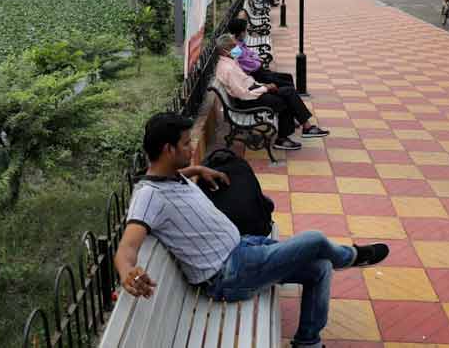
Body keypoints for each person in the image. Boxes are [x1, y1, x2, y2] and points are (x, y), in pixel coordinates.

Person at [115, 112, 390, 348]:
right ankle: (349, 257)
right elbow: (127, 247)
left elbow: (171, 182)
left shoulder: (170, 176)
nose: (192, 147)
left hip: (243, 249)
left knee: (319, 268)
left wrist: (198, 169)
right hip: (228, 274)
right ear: (167, 150)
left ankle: (308, 341)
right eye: (186, 144)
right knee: (316, 241)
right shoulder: (147, 197)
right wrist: (128, 272)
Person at [214, 34, 327, 150]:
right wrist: (265, 88)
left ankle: (304, 128)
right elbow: (243, 94)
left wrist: (262, 86)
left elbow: (246, 83)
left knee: (288, 91)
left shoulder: (230, 62)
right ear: (224, 50)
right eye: (233, 46)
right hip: (247, 101)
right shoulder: (228, 68)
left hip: (252, 93)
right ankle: (286, 137)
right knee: (283, 101)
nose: (237, 48)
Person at [227, 18, 294, 87]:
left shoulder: (240, 43)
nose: (247, 32)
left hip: (260, 72)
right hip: (257, 76)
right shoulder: (236, 50)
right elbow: (253, 65)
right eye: (246, 31)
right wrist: (257, 60)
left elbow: (252, 53)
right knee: (286, 82)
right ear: (241, 33)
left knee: (288, 77)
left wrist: (254, 58)